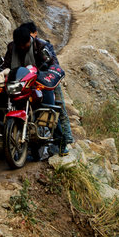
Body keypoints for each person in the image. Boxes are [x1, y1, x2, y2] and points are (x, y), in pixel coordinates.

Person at [0, 23, 59, 132]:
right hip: (18, 80)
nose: (23, 47)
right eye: (20, 45)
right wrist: (4, 71)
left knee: (49, 104)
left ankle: (56, 136)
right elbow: (6, 63)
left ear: (29, 39)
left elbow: (52, 62)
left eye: (25, 44)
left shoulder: (40, 46)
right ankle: (0, 114)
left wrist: (45, 72)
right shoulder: (11, 47)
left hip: (37, 79)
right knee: (0, 88)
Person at [25, 21, 74, 152]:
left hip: (49, 81)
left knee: (57, 107)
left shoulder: (44, 46)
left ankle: (65, 140)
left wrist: (45, 74)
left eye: (30, 34)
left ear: (35, 33)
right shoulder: (23, 45)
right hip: (31, 80)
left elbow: (54, 64)